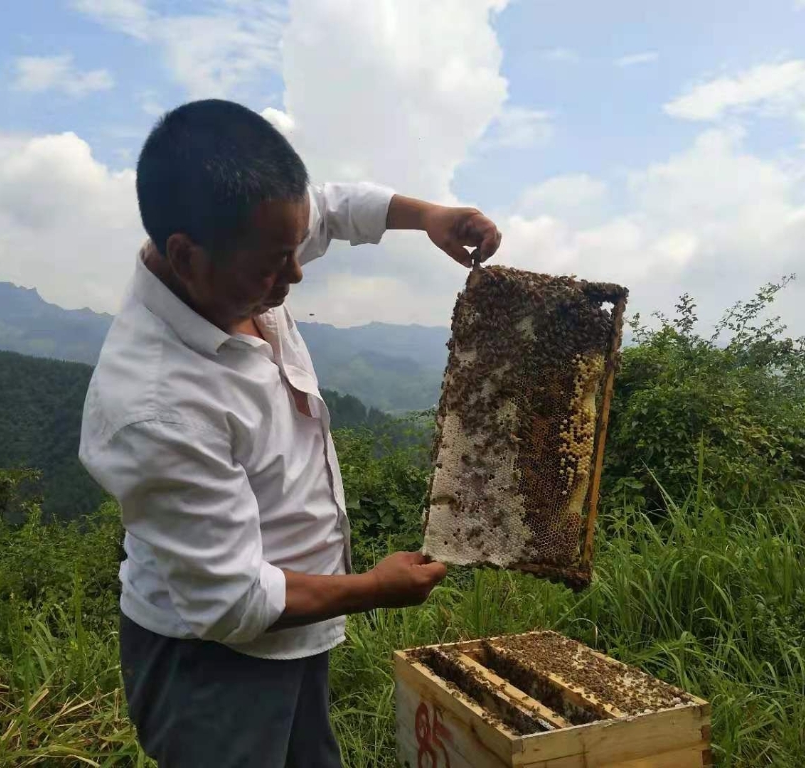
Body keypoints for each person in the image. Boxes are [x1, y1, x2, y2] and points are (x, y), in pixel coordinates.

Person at [78, 99, 502, 768]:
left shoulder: (243, 239)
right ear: (186, 256)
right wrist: (375, 588)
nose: (296, 275)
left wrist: (427, 217)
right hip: (212, 667)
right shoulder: (156, 405)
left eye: (293, 247)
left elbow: (326, 207)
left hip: (299, 630)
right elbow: (235, 601)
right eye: (275, 265)